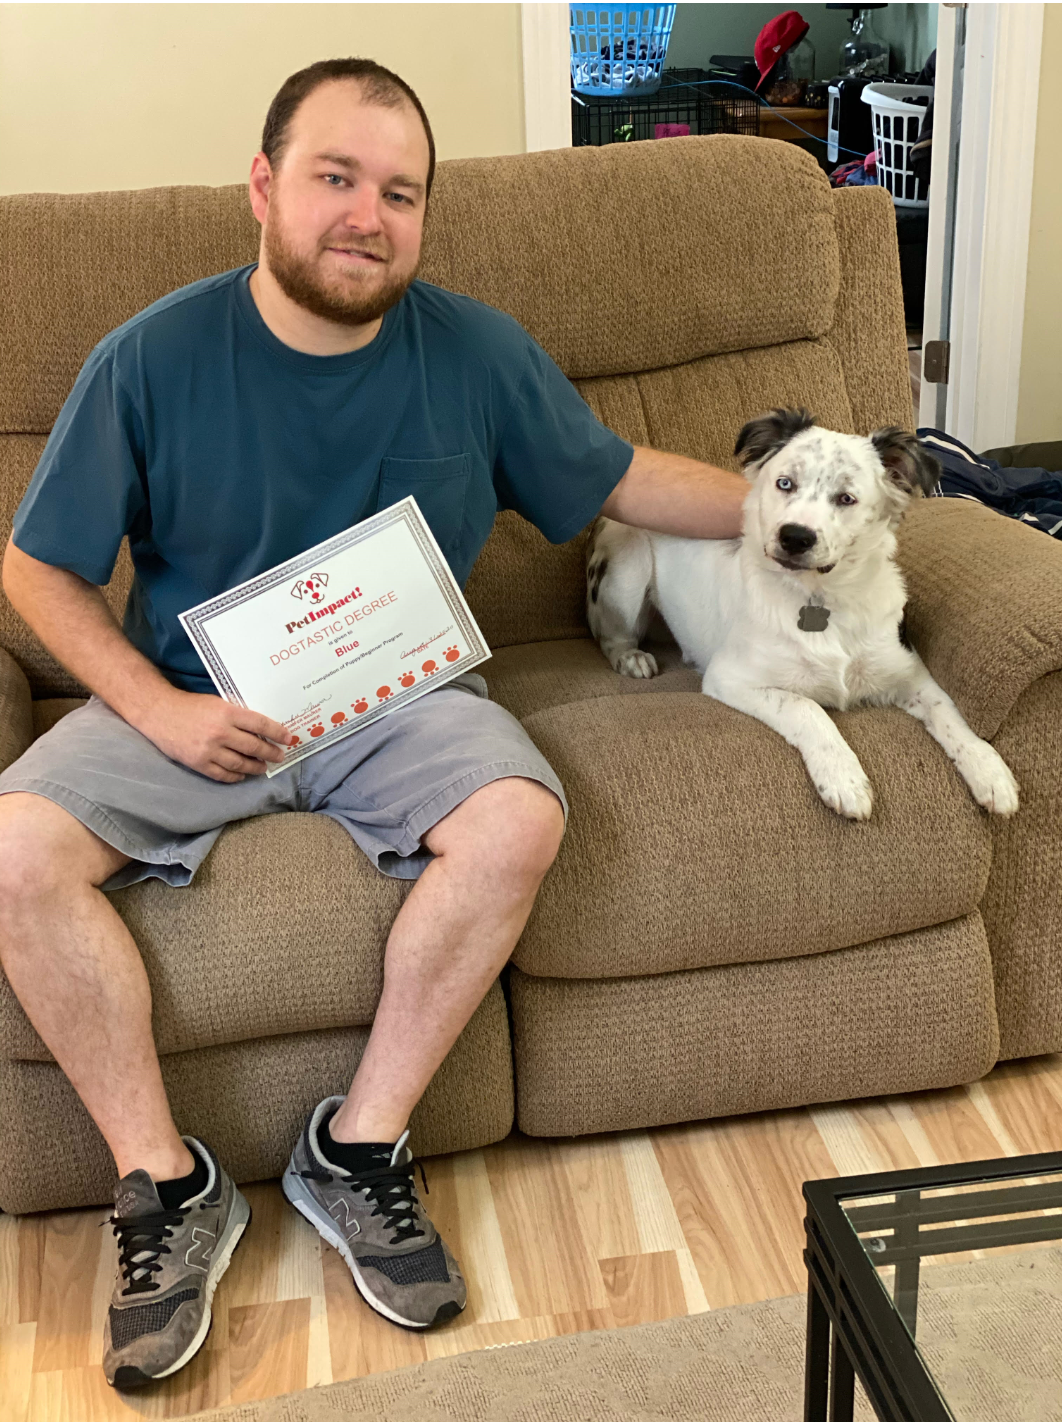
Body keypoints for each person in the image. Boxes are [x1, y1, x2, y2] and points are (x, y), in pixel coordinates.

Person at [0, 58, 749, 1389]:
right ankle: (166, 1185)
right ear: (263, 186)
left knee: (516, 817)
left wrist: (798, 510)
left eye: (397, 192)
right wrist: (160, 710)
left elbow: (614, 474)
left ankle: (356, 1149)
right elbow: (34, 565)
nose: (367, 213)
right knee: (10, 855)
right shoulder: (152, 357)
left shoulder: (474, 351)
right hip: (194, 699)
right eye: (335, 178)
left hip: (397, 703)